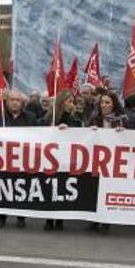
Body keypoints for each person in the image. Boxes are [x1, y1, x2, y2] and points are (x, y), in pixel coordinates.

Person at [0, 90, 39, 230]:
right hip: (3, 161)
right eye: (11, 99)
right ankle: (1, 218)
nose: (14, 102)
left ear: (23, 103)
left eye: (17, 100)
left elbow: (40, 134)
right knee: (3, 189)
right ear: (6, 102)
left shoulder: (31, 117)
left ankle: (21, 217)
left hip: (22, 161)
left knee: (21, 189)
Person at [86, 92, 130, 234]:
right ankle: (93, 221)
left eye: (107, 102)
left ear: (114, 104)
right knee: (95, 190)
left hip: (115, 162)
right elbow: (84, 137)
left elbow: (133, 138)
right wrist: (89, 131)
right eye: (102, 102)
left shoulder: (123, 119)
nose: (104, 105)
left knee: (109, 191)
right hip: (97, 160)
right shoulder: (94, 118)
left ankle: (105, 222)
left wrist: (124, 132)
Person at [45, 90, 82, 231]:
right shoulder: (50, 116)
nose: (71, 104)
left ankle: (60, 220)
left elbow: (80, 132)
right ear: (61, 102)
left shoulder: (75, 118)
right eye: (69, 101)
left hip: (66, 158)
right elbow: (39, 128)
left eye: (72, 101)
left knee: (62, 188)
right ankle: (49, 220)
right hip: (50, 158)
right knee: (50, 188)